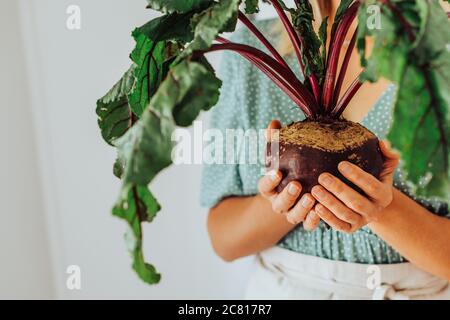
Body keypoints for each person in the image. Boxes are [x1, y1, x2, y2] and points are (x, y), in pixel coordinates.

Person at [201, 0, 450, 299]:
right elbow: (224, 240)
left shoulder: (440, 54)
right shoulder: (251, 50)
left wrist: (380, 208)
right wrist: (290, 190)